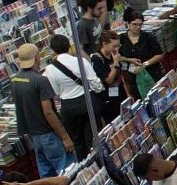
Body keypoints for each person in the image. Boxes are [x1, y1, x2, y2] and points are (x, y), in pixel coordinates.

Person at [8, 43, 74, 177]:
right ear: (37, 58)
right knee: (67, 172)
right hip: (49, 133)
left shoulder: (14, 80)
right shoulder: (41, 80)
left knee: (47, 175)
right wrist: (65, 137)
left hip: (34, 136)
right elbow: (48, 112)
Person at [43, 33, 102, 161]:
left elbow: (55, 92)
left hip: (68, 107)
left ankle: (84, 167)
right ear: (69, 46)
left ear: (53, 50)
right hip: (86, 101)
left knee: (77, 142)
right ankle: (99, 163)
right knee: (93, 138)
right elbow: (95, 82)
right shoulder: (80, 61)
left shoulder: (49, 69)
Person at [118, 7, 164, 98]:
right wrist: (128, 59)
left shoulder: (148, 37)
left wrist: (144, 64)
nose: (138, 27)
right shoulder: (121, 39)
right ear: (128, 23)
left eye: (140, 24)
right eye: (134, 24)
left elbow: (159, 54)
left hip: (151, 74)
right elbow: (117, 56)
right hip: (133, 77)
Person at [90, 29, 124, 123]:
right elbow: (108, 80)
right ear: (104, 44)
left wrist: (127, 93)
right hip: (108, 99)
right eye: (114, 46)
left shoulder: (113, 54)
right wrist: (116, 63)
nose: (117, 49)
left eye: (118, 46)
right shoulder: (96, 59)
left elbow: (120, 75)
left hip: (120, 93)